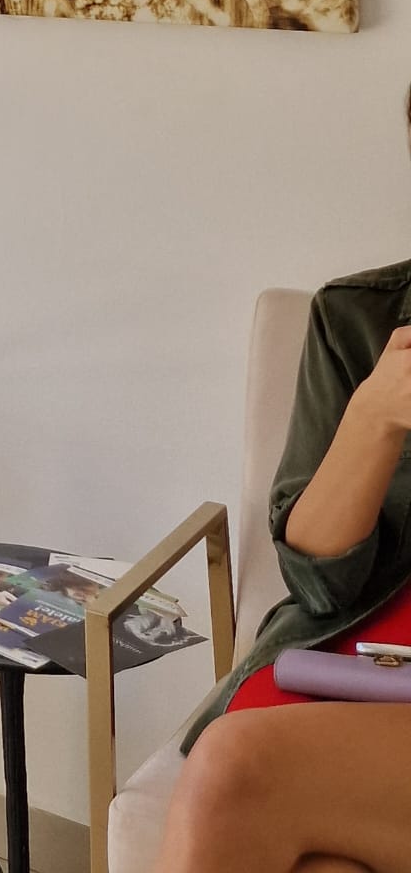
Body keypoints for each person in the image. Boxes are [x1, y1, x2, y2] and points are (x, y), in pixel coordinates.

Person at [154, 233, 411, 873]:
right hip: (358, 650)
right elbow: (319, 584)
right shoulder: (358, 316)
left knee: (233, 771)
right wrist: (374, 417)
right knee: (245, 791)